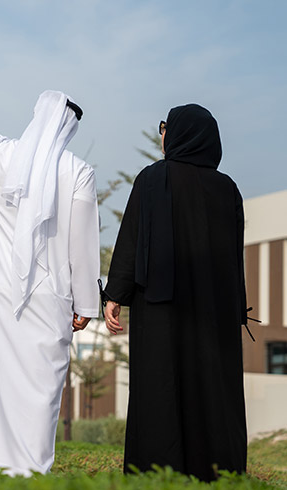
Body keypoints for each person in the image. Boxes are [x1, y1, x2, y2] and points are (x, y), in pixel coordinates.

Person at [0, 90, 100, 476]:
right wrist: (85, 305)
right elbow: (81, 247)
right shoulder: (78, 171)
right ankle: (30, 472)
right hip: (49, 301)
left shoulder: (0, 153)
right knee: (38, 396)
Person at [103, 104, 248, 482]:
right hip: (214, 314)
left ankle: (157, 474)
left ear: (183, 133)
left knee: (161, 388)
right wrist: (237, 310)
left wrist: (115, 294)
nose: (163, 134)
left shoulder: (152, 178)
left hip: (161, 311)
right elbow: (236, 259)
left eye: (166, 127)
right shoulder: (228, 189)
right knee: (213, 391)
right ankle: (218, 475)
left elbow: (132, 237)